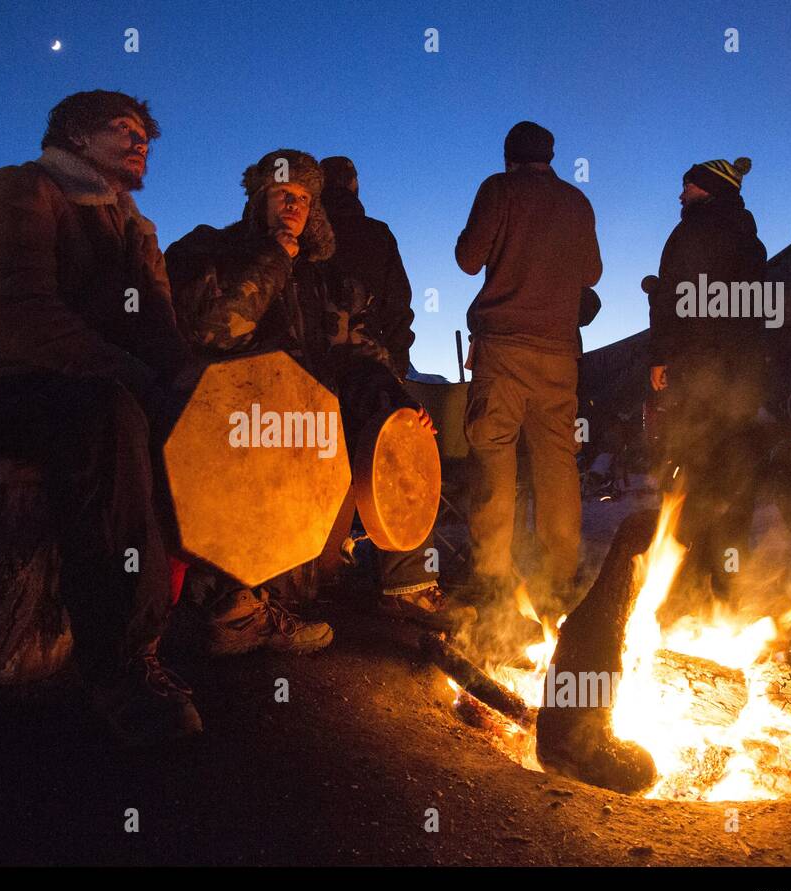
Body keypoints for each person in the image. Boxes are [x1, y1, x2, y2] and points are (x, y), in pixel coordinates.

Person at [0, 89, 202, 745]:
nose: (140, 141)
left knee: (203, 420)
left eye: (145, 134)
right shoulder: (15, 193)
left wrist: (201, 388)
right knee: (106, 419)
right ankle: (118, 668)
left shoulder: (134, 228)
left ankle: (220, 607)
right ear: (76, 138)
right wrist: (135, 378)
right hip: (5, 387)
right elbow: (25, 321)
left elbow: (161, 335)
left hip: (100, 385)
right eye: (123, 128)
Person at [165, 149, 474, 654]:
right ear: (259, 197)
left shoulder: (315, 276)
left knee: (369, 436)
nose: (294, 206)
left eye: (305, 199)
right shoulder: (215, 248)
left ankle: (273, 605)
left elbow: (347, 348)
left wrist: (395, 402)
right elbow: (218, 329)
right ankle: (226, 609)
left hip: (297, 418)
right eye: (284, 194)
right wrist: (275, 258)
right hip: (219, 410)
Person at [455, 121, 602, 615]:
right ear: (550, 156)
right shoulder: (576, 203)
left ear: (508, 156)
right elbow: (593, 274)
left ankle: (492, 580)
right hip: (560, 353)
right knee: (558, 461)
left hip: (503, 348)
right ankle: (561, 577)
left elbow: (468, 258)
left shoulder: (499, 189)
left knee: (495, 455)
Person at [647, 156, 767, 600]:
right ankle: (728, 579)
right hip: (742, 377)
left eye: (688, 186)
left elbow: (672, 297)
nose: (681, 195)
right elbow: (757, 313)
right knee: (734, 474)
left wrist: (660, 356)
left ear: (708, 189)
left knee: (690, 468)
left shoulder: (690, 233)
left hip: (699, 371)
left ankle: (685, 577)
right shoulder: (751, 243)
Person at [319, 156, 416, 378]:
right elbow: (398, 305)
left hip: (311, 366)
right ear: (354, 183)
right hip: (367, 364)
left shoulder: (303, 236)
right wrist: (397, 366)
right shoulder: (378, 234)